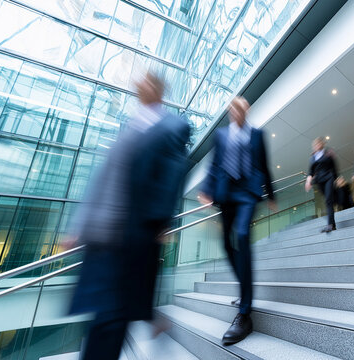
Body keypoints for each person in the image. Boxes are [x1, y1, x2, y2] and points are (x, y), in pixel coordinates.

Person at [66, 72, 190, 360]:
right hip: (103, 235)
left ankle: (148, 316)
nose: (140, 84)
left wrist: (162, 223)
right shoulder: (128, 127)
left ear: (158, 90)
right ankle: (150, 317)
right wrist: (80, 227)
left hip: (132, 233)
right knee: (103, 315)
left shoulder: (172, 124)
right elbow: (104, 177)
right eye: (139, 81)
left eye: (148, 81)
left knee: (109, 318)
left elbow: (172, 175)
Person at [199, 96, 276, 346]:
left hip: (248, 193)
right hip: (226, 192)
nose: (236, 111)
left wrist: (271, 194)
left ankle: (245, 311)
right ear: (229, 112)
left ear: (246, 110)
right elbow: (215, 165)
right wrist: (206, 188)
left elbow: (264, 166)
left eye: (240, 107)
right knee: (225, 244)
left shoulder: (257, 134)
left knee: (241, 235)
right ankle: (244, 285)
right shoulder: (221, 136)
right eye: (232, 108)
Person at [305, 137, 338, 233]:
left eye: (318, 143)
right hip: (319, 181)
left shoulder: (328, 153)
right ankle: (332, 224)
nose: (316, 145)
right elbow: (310, 171)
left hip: (329, 178)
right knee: (328, 200)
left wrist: (336, 179)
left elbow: (334, 167)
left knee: (328, 200)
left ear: (322, 144)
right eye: (315, 144)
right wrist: (308, 182)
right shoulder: (313, 157)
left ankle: (330, 225)